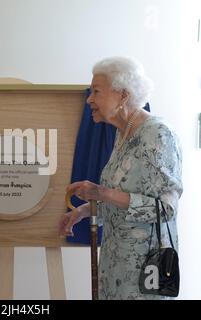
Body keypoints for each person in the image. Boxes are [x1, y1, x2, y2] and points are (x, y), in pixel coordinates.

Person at [60, 56, 183, 300]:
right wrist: (84, 211)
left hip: (144, 274)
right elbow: (124, 201)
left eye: (96, 91)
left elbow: (165, 209)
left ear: (123, 95)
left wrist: (101, 193)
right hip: (116, 266)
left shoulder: (157, 134)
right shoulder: (123, 134)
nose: (89, 99)